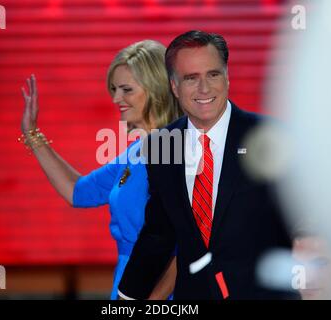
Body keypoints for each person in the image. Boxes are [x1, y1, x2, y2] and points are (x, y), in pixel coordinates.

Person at [118, 30, 298, 300]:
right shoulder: (160, 146)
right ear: (174, 87)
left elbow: (299, 223)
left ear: (227, 77)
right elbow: (159, 233)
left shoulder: (271, 138)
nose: (204, 88)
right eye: (191, 78)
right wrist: (126, 298)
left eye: (213, 74)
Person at [19, 40, 182, 300]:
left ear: (156, 90)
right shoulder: (135, 153)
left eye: (126, 89)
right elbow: (77, 191)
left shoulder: (174, 149)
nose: (116, 98)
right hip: (128, 284)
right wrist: (32, 133)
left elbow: (185, 246)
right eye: (114, 89)